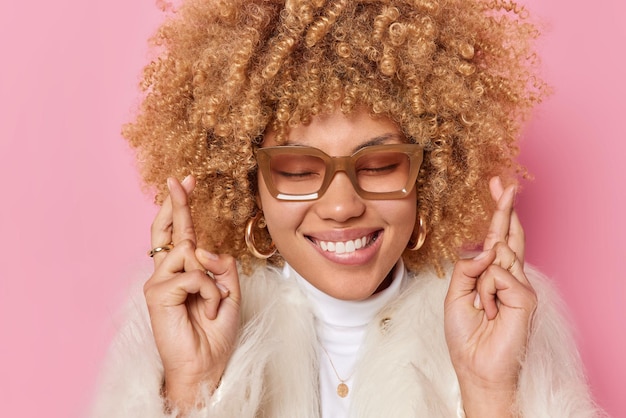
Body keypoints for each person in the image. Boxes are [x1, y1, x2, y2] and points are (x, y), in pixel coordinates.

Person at [92, 0, 605, 416]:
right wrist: (191, 388)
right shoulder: (171, 331)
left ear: (428, 175)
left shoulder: (503, 325)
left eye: (380, 165)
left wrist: (489, 395)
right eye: (297, 170)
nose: (341, 206)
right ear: (250, 186)